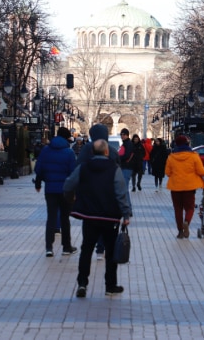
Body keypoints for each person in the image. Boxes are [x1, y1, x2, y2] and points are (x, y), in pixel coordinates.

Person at [64, 139, 132, 298]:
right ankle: (110, 285)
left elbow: (68, 185)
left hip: (89, 216)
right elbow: (121, 193)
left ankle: (82, 283)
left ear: (92, 153)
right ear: (107, 152)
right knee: (110, 252)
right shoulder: (114, 169)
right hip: (110, 217)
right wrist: (126, 213)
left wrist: (72, 200)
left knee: (86, 250)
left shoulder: (83, 167)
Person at [77, 124, 123, 260]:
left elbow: (78, 168)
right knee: (105, 220)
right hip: (108, 193)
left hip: (90, 193)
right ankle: (101, 248)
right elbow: (118, 173)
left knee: (90, 221)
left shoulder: (87, 149)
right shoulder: (112, 151)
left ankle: (89, 251)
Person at [34, 126, 78, 257]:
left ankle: (49, 247)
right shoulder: (69, 153)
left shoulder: (46, 150)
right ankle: (66, 247)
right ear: (66, 138)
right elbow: (73, 173)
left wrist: (38, 183)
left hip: (50, 190)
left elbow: (39, 168)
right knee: (65, 218)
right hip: (65, 191)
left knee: (51, 218)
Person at [165, 135, 204, 239]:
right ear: (187, 144)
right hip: (189, 187)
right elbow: (200, 171)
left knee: (178, 209)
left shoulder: (171, 157)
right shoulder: (194, 156)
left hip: (175, 187)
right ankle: (186, 222)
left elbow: (167, 173)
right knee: (190, 208)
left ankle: (180, 231)